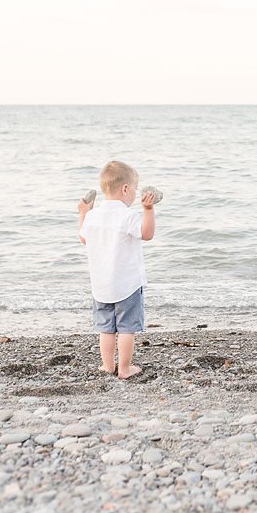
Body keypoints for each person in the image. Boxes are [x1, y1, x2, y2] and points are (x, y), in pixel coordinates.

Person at [77, 160, 156, 380]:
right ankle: (124, 368)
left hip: (101, 285)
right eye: (135, 189)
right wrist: (148, 209)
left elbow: (83, 237)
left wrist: (83, 211)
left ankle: (107, 365)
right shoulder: (127, 215)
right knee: (126, 328)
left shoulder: (93, 216)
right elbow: (147, 234)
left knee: (106, 328)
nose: (135, 194)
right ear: (125, 189)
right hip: (127, 284)